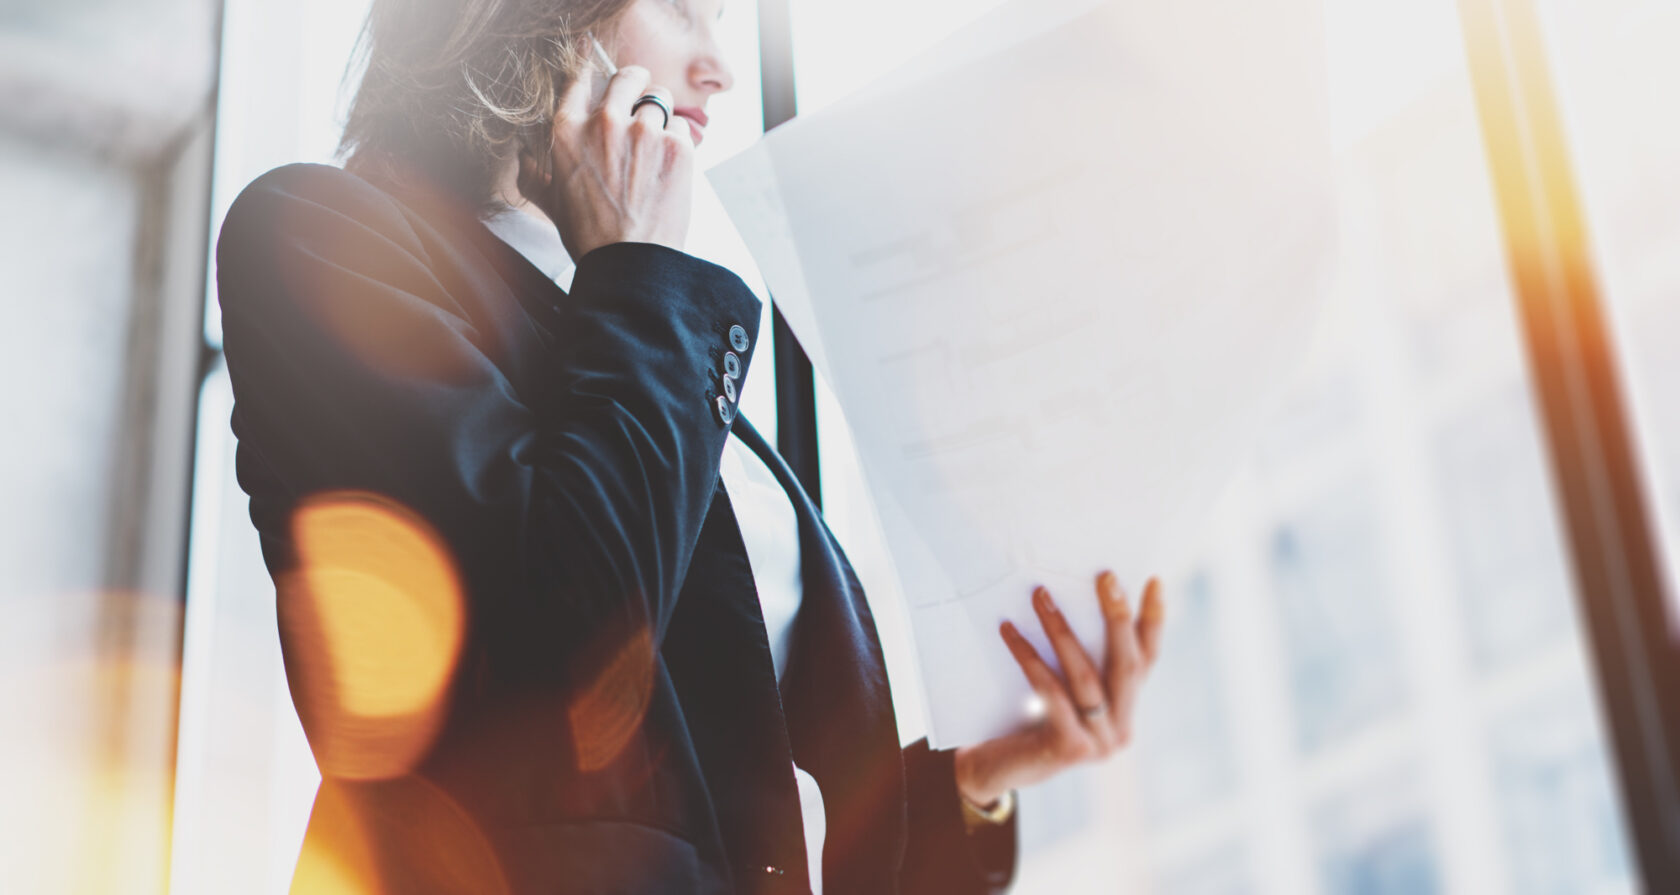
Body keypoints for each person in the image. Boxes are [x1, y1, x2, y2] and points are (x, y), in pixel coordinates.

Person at [215, 0, 1168, 891]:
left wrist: (981, 777)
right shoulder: (322, 239)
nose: (719, 71)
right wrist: (636, 266)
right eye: (681, 5)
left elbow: (743, 805)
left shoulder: (635, 324)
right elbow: (548, 662)